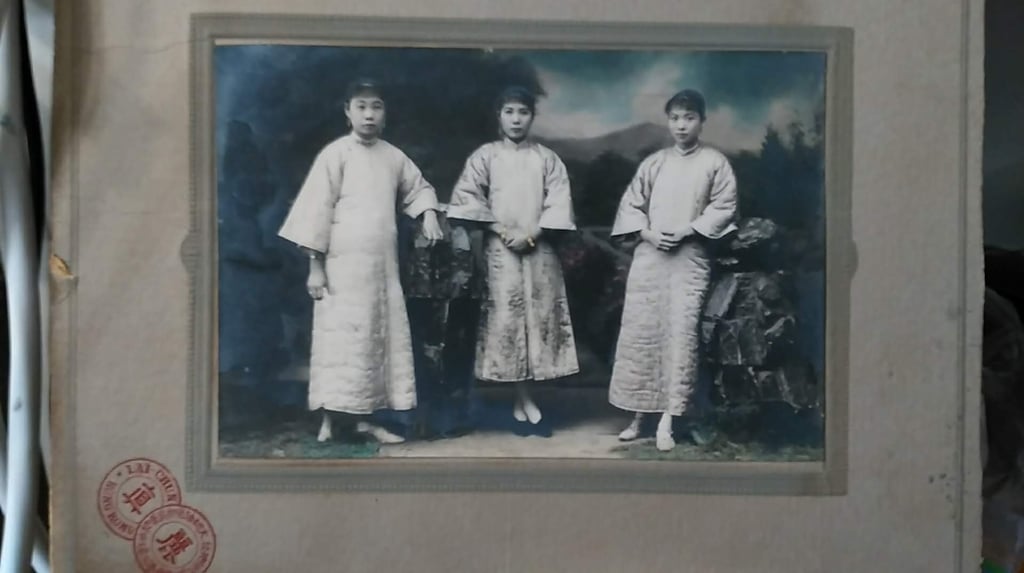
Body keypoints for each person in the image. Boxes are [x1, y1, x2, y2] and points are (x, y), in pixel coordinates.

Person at [277, 79, 444, 444]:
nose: (369, 115)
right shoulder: (335, 154)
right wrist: (315, 267)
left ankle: (365, 419)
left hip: (381, 270)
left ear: (385, 113)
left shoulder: (393, 157)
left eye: (376, 107)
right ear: (348, 112)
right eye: (361, 106)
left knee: (372, 341)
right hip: (341, 269)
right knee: (339, 341)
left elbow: (418, 188)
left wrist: (428, 213)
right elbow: (316, 211)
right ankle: (329, 420)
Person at [608, 88, 739, 451]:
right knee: (643, 334)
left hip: (689, 260)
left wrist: (687, 230)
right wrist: (648, 233)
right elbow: (631, 205)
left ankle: (669, 418)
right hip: (650, 260)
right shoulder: (654, 163)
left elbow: (724, 207)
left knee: (680, 335)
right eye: (675, 118)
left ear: (702, 121)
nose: (681, 125)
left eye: (689, 118)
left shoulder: (715, 163)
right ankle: (639, 415)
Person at [445, 86, 580, 426]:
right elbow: (467, 198)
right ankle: (524, 398)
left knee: (538, 318)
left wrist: (533, 234)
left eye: (523, 112)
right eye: (509, 112)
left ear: (532, 117)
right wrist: (501, 230)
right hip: (500, 250)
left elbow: (558, 203)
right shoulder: (485, 156)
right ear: (499, 116)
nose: (516, 119)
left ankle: (525, 398)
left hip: (539, 249)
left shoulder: (547, 159)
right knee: (508, 319)